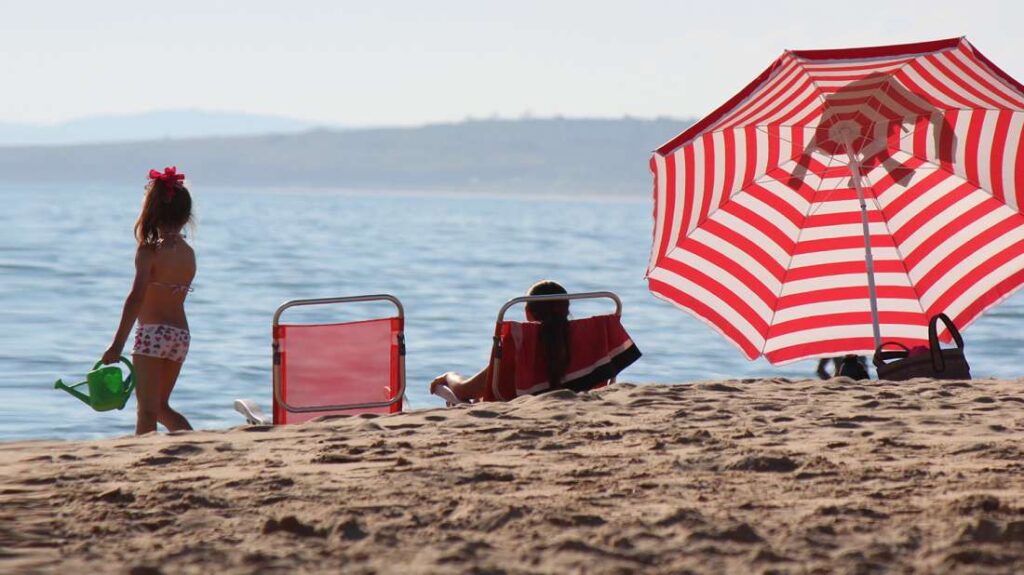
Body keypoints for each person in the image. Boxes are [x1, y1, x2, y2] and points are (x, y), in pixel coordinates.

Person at [101, 167, 195, 435]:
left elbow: (136, 298)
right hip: (180, 335)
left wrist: (117, 345)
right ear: (186, 216)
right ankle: (195, 444)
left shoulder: (148, 251)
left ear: (150, 212)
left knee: (147, 411)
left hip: (152, 334)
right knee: (162, 407)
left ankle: (142, 459)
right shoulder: (189, 254)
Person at [431, 280, 572, 402]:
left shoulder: (520, 344)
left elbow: (465, 390)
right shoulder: (584, 341)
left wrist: (449, 376)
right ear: (567, 309)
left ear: (527, 312)